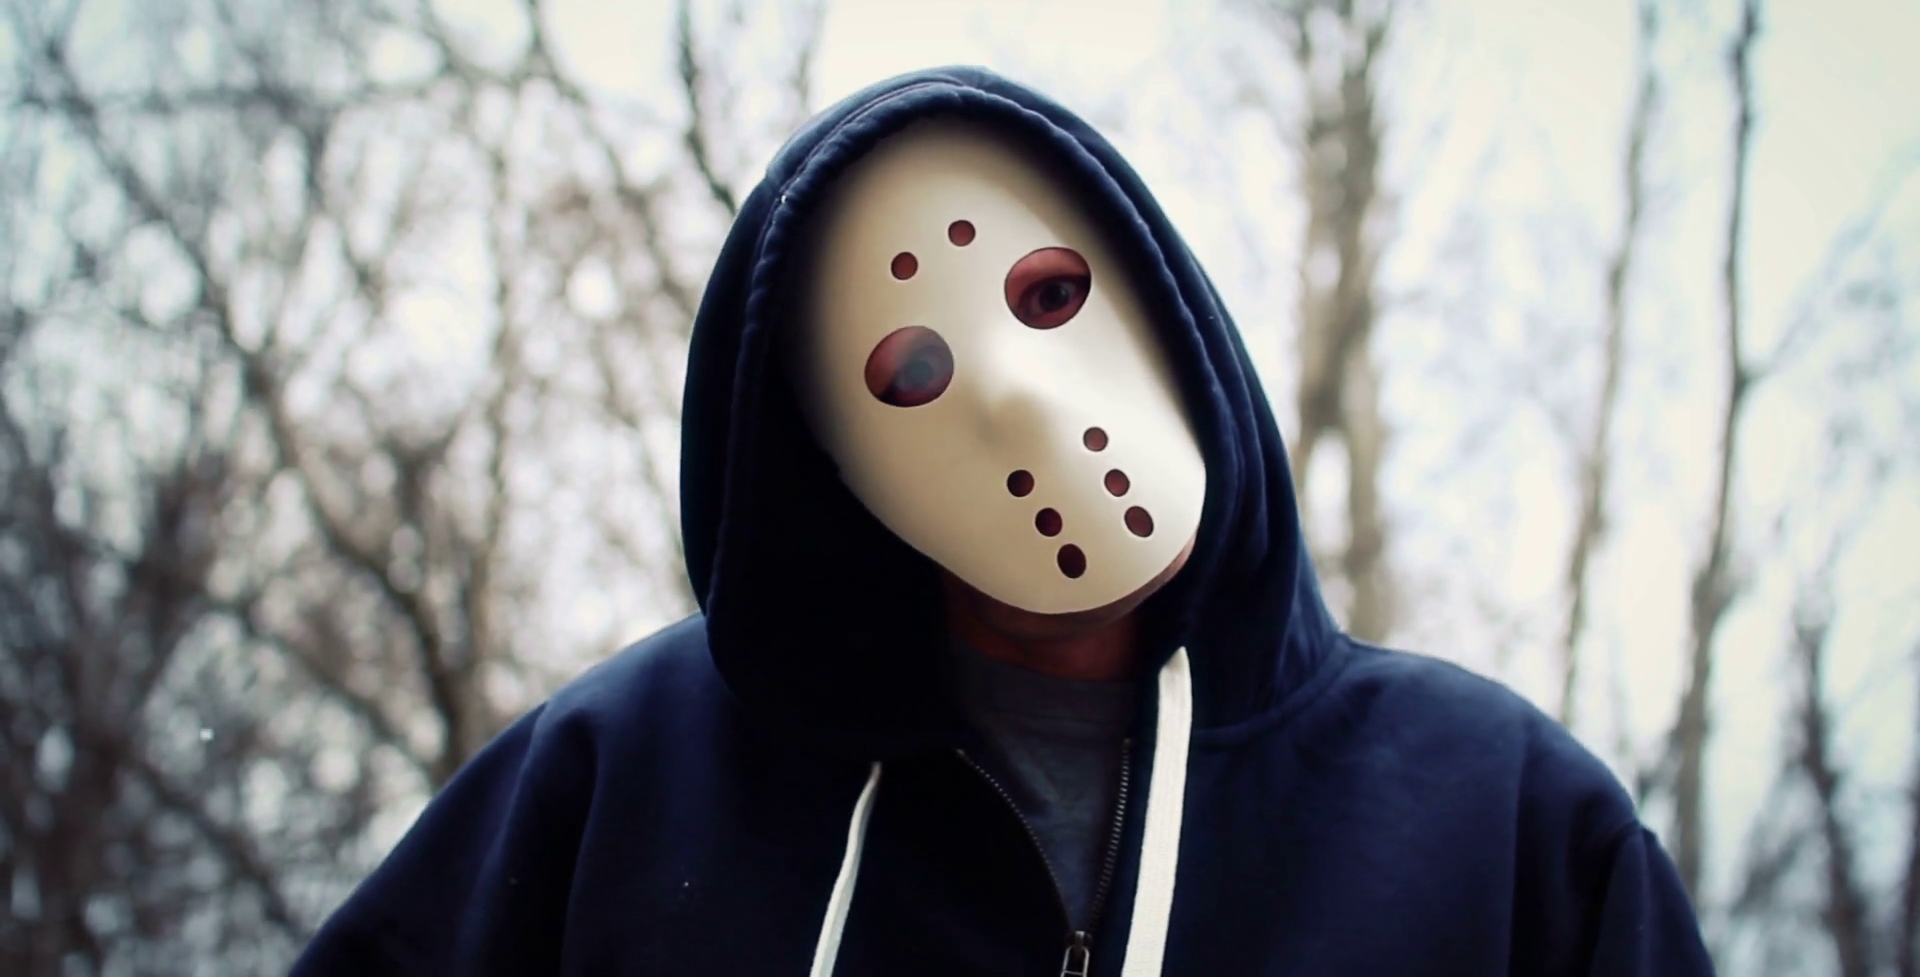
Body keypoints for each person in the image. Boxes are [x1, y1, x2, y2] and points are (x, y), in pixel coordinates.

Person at [291, 66, 1714, 975]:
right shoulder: (622, 782)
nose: (1021, 403)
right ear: (831, 466)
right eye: (910, 371)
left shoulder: (1500, 823)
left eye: (1050, 296)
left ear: (1157, 291)